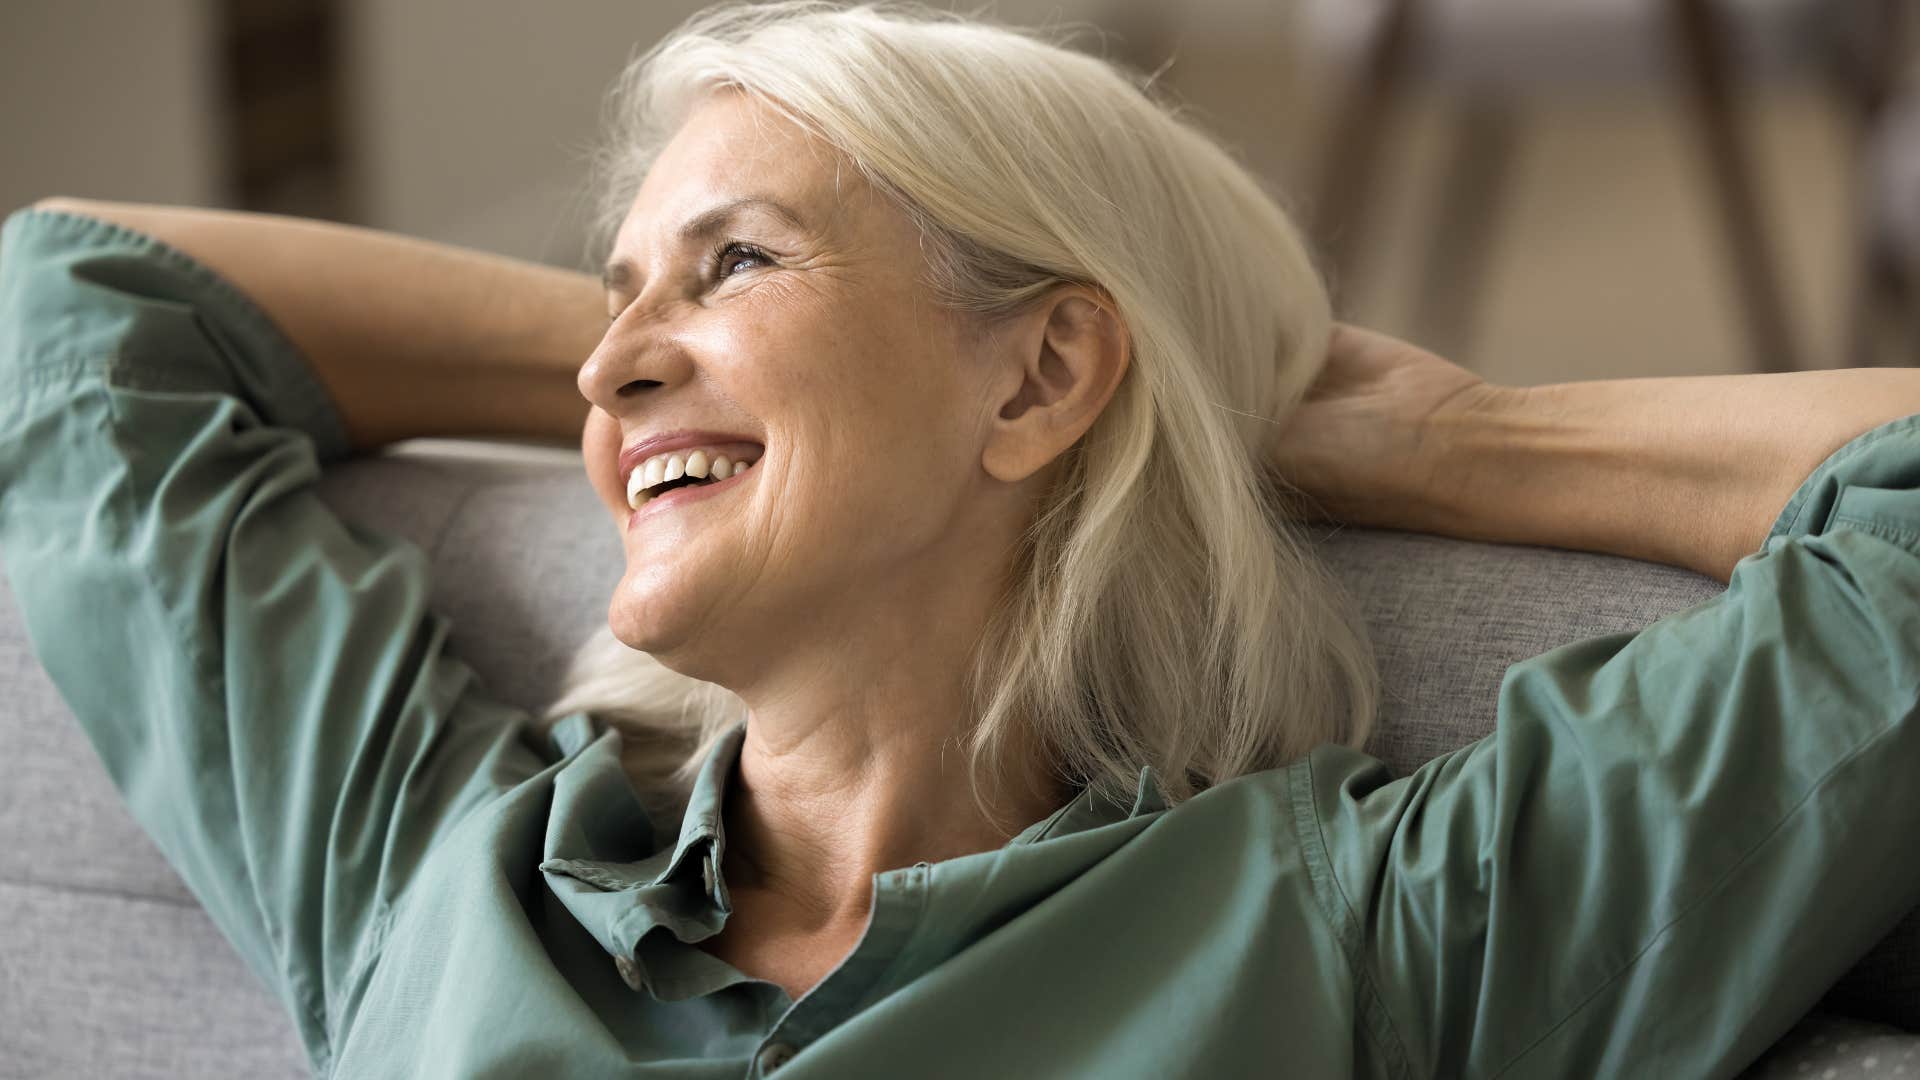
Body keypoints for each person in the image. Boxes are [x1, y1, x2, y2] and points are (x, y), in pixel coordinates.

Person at [2, 3, 1918, 1076]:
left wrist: (1437, 440)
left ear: (1043, 377)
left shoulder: (1365, 938)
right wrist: (687, 376)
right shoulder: (430, 867)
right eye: (613, 300)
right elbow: (75, 313)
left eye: (740, 255)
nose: (604, 365)